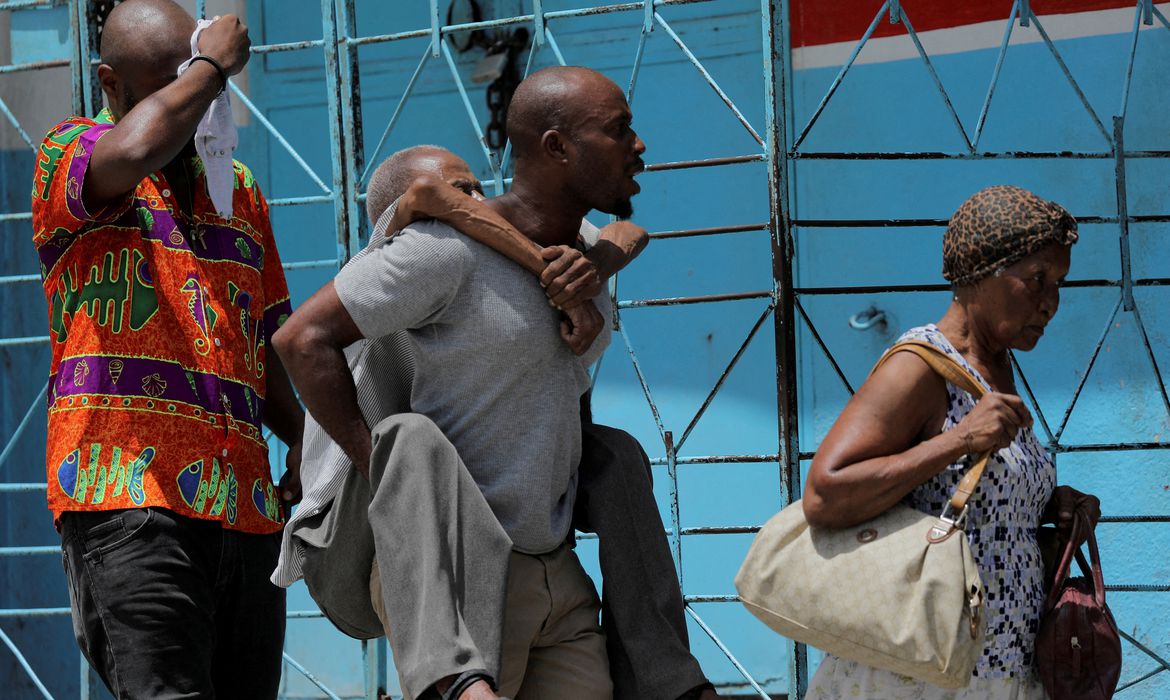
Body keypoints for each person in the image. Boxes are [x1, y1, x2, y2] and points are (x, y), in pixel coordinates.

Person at [274, 66, 710, 700]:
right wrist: (379, 471)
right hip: (459, 566)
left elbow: (627, 232)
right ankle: (452, 677)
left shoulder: (577, 257)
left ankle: (669, 678)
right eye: (620, 130)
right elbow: (299, 338)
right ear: (557, 147)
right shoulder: (436, 250)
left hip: (553, 569)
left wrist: (599, 262)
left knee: (618, 454)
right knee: (408, 438)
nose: (639, 145)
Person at [30, 1, 303, 697]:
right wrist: (212, 68)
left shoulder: (237, 188)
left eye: (197, 84)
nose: (193, 108)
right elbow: (134, 150)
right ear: (110, 84)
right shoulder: (73, 153)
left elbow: (260, 335)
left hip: (243, 508)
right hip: (128, 502)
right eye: (171, 87)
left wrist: (304, 436)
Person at [801, 185, 1101, 698]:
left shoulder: (997, 367)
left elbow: (962, 495)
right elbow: (825, 494)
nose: (1051, 302)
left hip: (1002, 666)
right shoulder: (918, 367)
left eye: (1059, 283)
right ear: (979, 274)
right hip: (918, 676)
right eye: (1036, 280)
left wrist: (1052, 505)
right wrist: (961, 438)